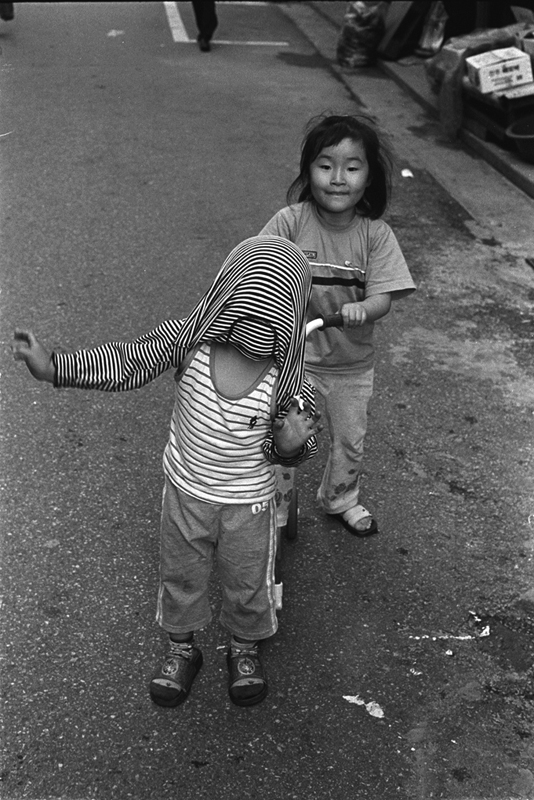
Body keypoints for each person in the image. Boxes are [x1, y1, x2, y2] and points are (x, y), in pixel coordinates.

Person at [11, 236, 322, 709]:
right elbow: (127, 361)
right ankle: (182, 649)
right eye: (249, 303)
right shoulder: (189, 341)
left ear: (293, 316)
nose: (261, 320)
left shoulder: (291, 382)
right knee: (181, 576)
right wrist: (55, 367)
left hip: (249, 504)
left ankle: (243, 648)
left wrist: (290, 444)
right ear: (225, 292)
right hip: (185, 494)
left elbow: (291, 452)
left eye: (276, 313)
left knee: (247, 582)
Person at [259, 114, 416, 537]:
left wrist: (364, 308)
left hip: (351, 365)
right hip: (295, 360)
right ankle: (271, 501)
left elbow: (384, 295)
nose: (338, 178)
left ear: (369, 178)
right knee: (283, 432)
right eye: (325, 165)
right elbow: (258, 266)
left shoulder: (375, 235)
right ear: (308, 171)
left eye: (352, 167)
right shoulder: (291, 222)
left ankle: (340, 498)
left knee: (349, 441)